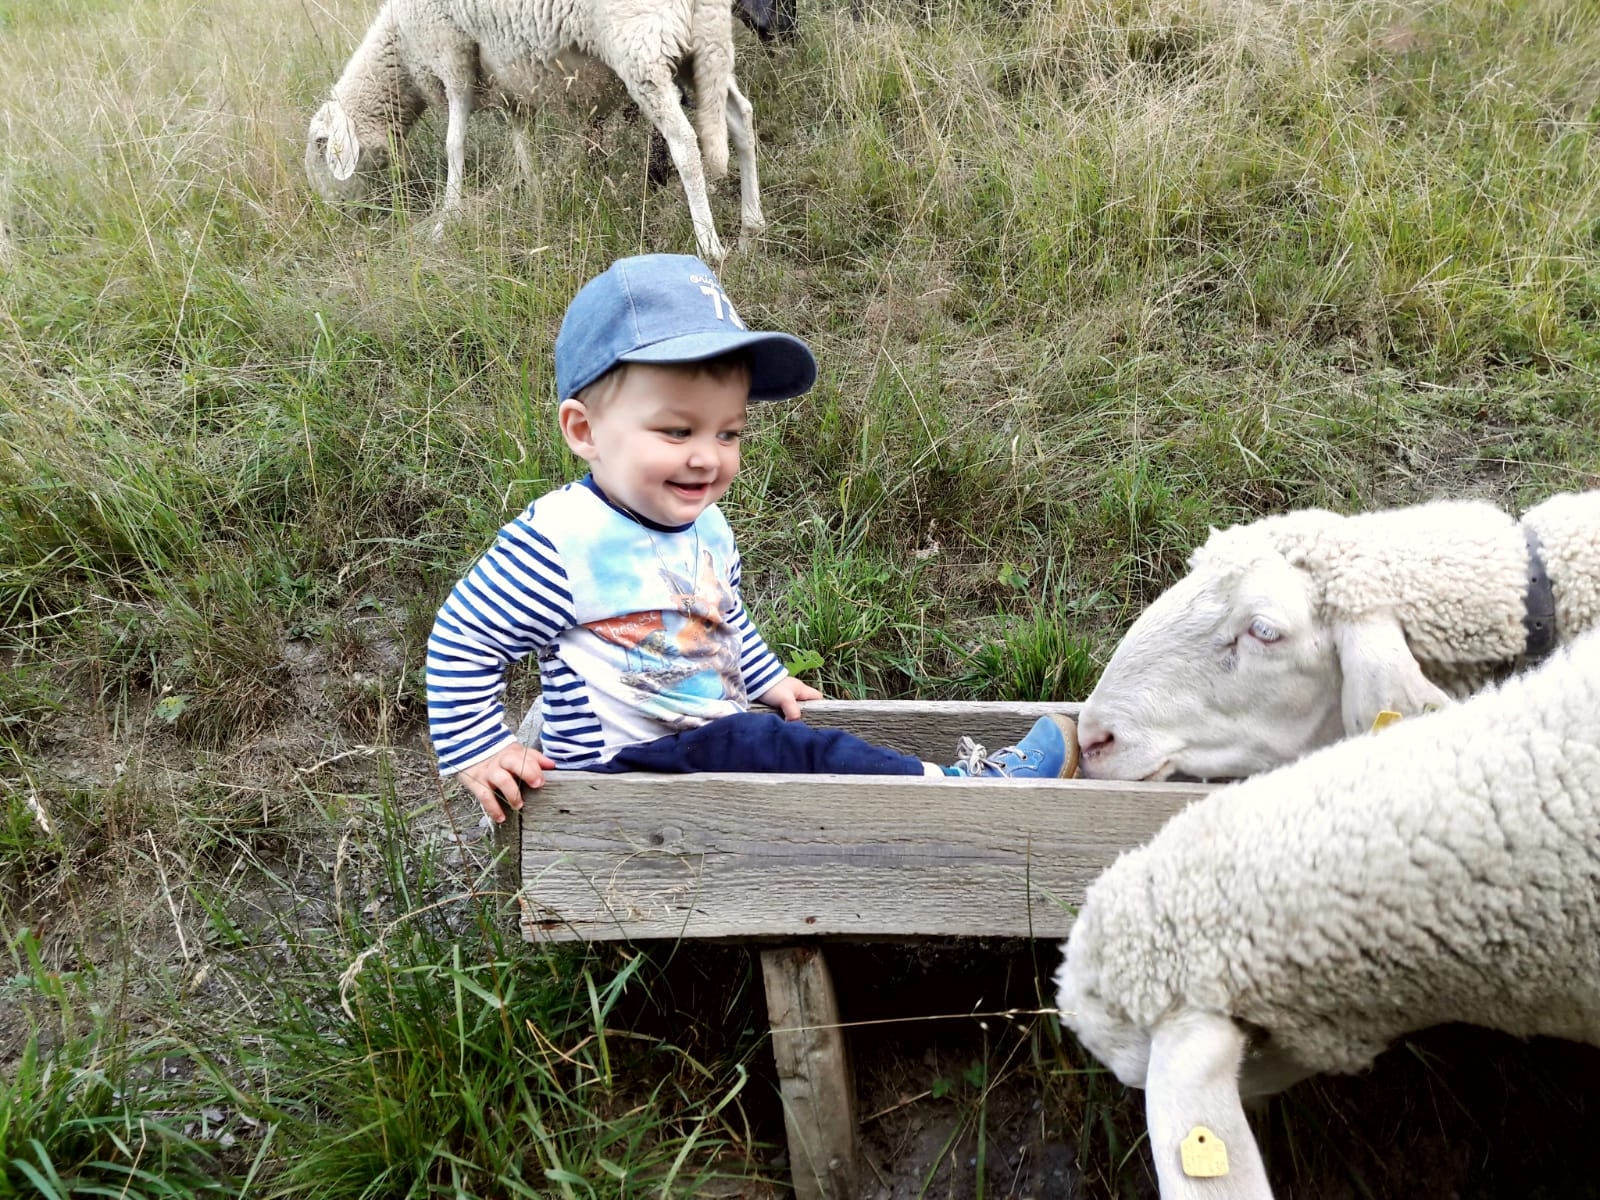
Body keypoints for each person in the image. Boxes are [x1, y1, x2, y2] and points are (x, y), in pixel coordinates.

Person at [425, 253, 1078, 823]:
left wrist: (768, 681)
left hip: (698, 752)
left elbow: (723, 620)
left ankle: (901, 802)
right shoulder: (560, 539)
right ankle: (963, 794)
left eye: (728, 433)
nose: (707, 458)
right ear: (584, 431)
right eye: (677, 432)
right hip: (620, 777)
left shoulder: (705, 524)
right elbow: (463, 639)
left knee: (771, 734)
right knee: (776, 747)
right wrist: (482, 749)